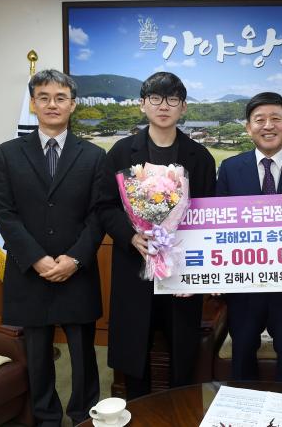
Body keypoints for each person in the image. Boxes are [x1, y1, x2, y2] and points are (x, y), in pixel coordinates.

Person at [0, 69, 104, 426]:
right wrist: (37, 258)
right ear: (33, 103)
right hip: (29, 274)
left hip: (77, 273)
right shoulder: (8, 153)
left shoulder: (94, 155)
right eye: (44, 97)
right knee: (37, 358)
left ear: (73, 104)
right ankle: (46, 419)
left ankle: (84, 417)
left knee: (83, 357)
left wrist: (75, 258)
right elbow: (3, 211)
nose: (52, 104)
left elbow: (99, 214)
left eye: (60, 98)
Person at [97, 72, 216, 399]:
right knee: (135, 351)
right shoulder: (122, 153)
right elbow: (105, 206)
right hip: (135, 267)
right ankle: (138, 410)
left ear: (183, 107)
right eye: (155, 98)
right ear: (142, 105)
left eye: (172, 99)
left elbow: (208, 217)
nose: (164, 106)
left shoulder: (200, 158)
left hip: (182, 270)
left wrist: (198, 270)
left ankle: (180, 410)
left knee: (182, 353)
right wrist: (131, 236)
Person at [216, 92, 282, 383]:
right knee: (242, 359)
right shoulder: (230, 169)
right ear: (248, 127)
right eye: (259, 119)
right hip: (243, 288)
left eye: (276, 118)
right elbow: (218, 229)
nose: (268, 125)